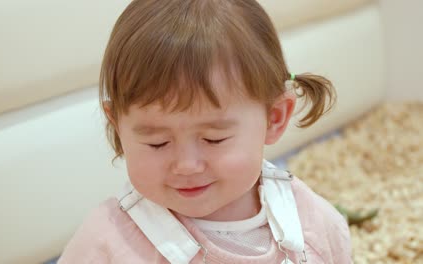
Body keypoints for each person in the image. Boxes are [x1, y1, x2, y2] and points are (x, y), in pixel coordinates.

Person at [58, 0, 352, 263]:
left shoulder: (309, 223)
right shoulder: (108, 243)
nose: (186, 165)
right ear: (118, 126)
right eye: (157, 143)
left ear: (273, 118)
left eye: (214, 139)